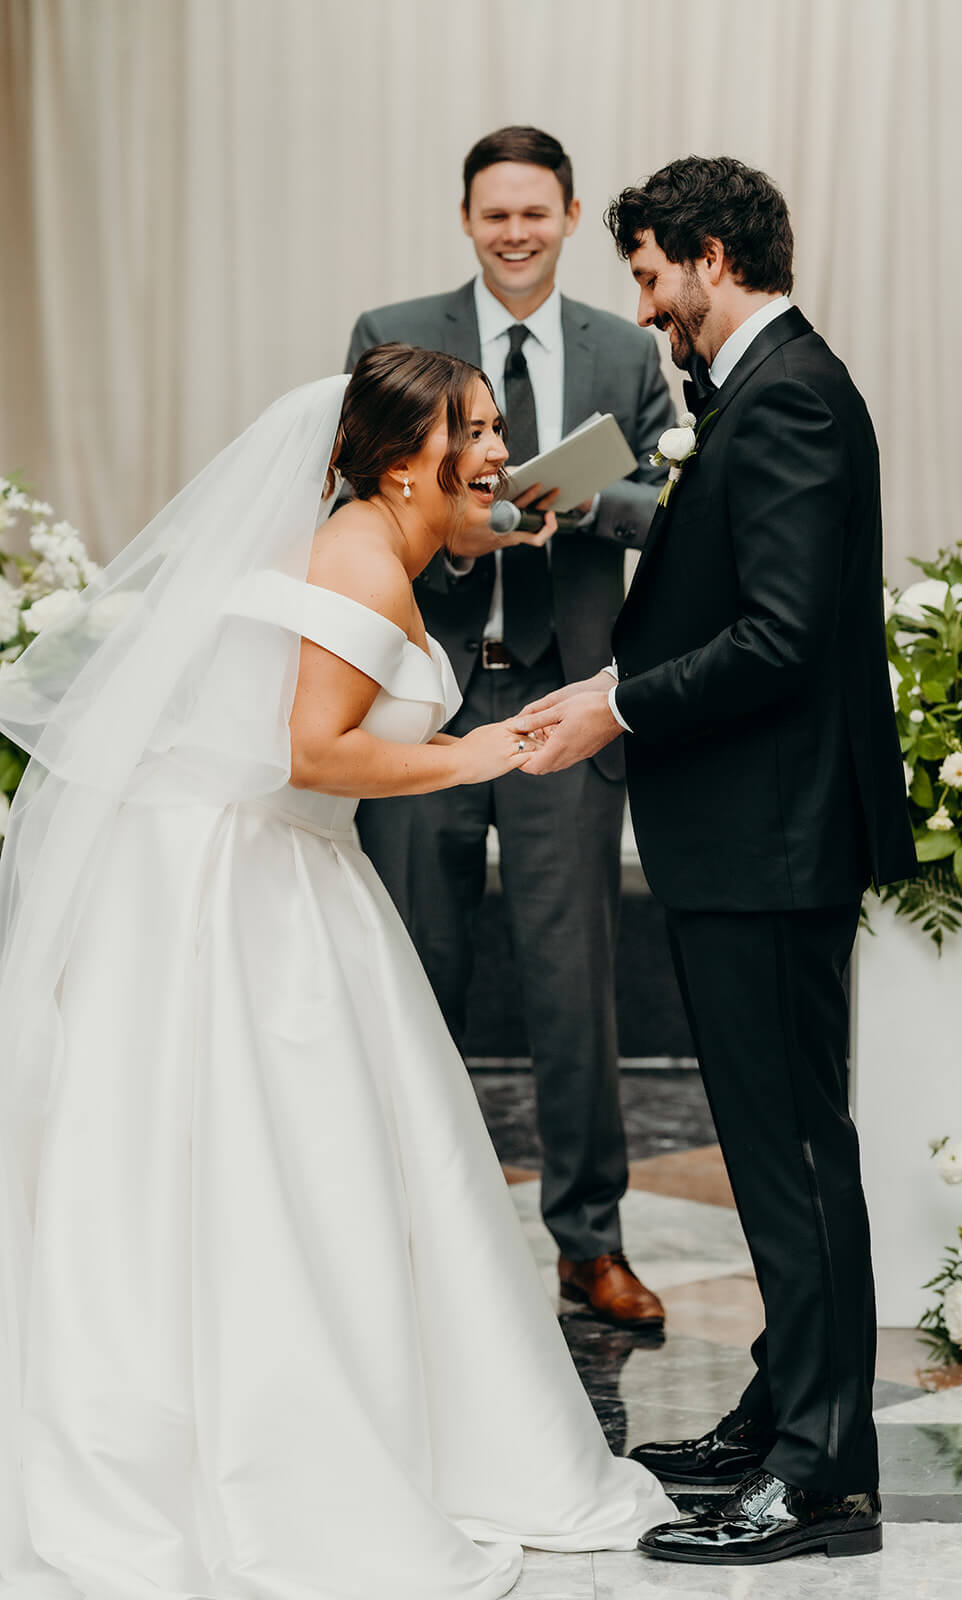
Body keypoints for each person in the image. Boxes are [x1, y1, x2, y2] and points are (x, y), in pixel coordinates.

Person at [0, 346, 676, 1600]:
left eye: (493, 426)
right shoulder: (360, 556)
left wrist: (499, 547)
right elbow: (311, 750)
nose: (495, 451)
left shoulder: (380, 540)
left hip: (279, 869)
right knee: (267, 1159)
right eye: (472, 432)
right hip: (241, 882)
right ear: (397, 459)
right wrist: (473, 759)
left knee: (322, 1159)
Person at [514, 156, 918, 1566]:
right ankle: (781, 1414)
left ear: (704, 255)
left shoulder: (791, 392)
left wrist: (609, 701)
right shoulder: (753, 391)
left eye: (644, 275)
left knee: (794, 1154)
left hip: (772, 838)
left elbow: (782, 635)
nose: (644, 306)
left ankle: (818, 1482)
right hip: (743, 833)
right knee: (776, 1149)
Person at [345, 128, 672, 1329]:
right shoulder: (395, 329)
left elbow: (670, 512)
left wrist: (575, 498)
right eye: (495, 215)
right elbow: (352, 490)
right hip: (422, 693)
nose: (515, 233)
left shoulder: (622, 349)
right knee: (410, 972)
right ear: (467, 220)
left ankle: (588, 1244)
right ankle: (406, 1231)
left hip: (562, 701)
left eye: (536, 213)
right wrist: (459, 512)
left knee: (572, 980)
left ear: (571, 215)